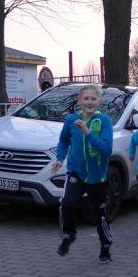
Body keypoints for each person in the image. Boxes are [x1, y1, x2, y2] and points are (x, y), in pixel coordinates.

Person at [52, 84, 114, 263]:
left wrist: (88, 132)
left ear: (99, 102)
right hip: (76, 172)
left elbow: (106, 149)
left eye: (93, 99)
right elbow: (63, 141)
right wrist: (59, 158)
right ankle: (69, 234)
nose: (89, 102)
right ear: (79, 102)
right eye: (85, 98)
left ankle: (105, 246)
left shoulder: (104, 121)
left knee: (99, 215)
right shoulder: (71, 120)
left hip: (97, 176)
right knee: (67, 203)